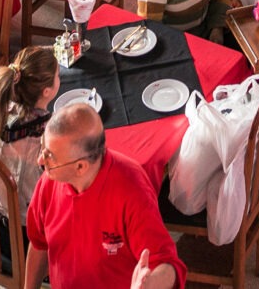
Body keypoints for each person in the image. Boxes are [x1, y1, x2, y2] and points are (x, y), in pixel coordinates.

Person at [21, 102, 181, 289]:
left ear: (80, 167)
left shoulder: (132, 190)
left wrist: (149, 284)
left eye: (50, 156)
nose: (40, 160)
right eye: (43, 148)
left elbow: (167, 265)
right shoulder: (50, 180)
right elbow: (39, 244)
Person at [0, 47, 60, 225]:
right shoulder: (45, 135)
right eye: (58, 76)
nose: (60, 79)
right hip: (26, 230)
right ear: (47, 92)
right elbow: (60, 182)